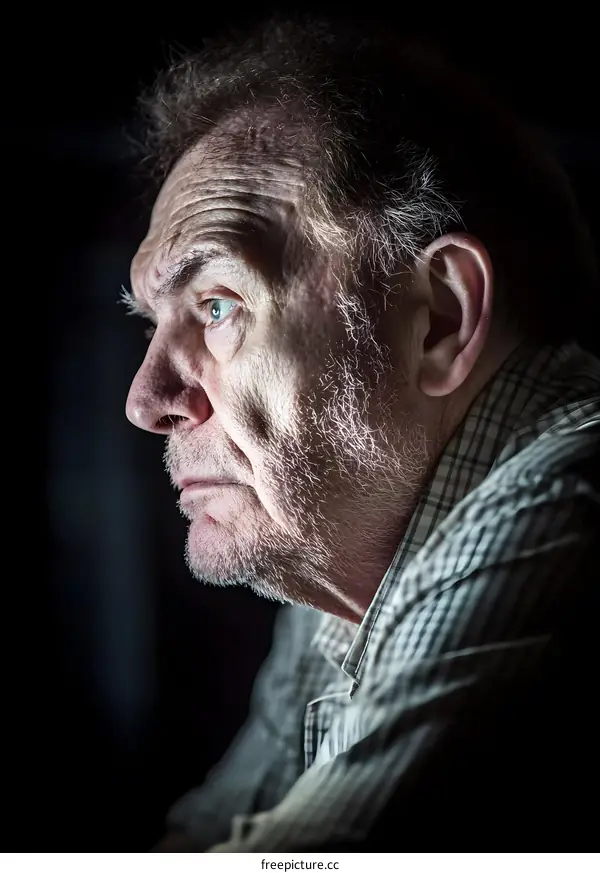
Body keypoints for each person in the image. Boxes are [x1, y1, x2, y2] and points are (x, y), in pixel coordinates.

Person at [124, 15, 600, 851]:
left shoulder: (568, 488)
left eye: (219, 306)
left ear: (441, 318)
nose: (148, 397)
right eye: (154, 325)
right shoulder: (348, 551)